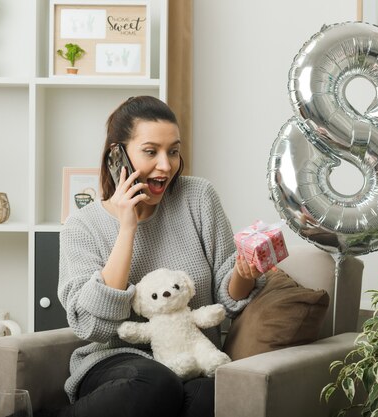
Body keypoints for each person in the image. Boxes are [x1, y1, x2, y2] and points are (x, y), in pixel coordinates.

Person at [52, 96, 265, 417]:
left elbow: (226, 295)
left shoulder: (199, 198)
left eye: (174, 151)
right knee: (156, 382)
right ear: (117, 156)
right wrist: (127, 228)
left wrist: (243, 275)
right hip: (117, 364)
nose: (166, 165)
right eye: (151, 152)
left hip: (190, 358)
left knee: (213, 394)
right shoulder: (81, 226)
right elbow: (92, 327)